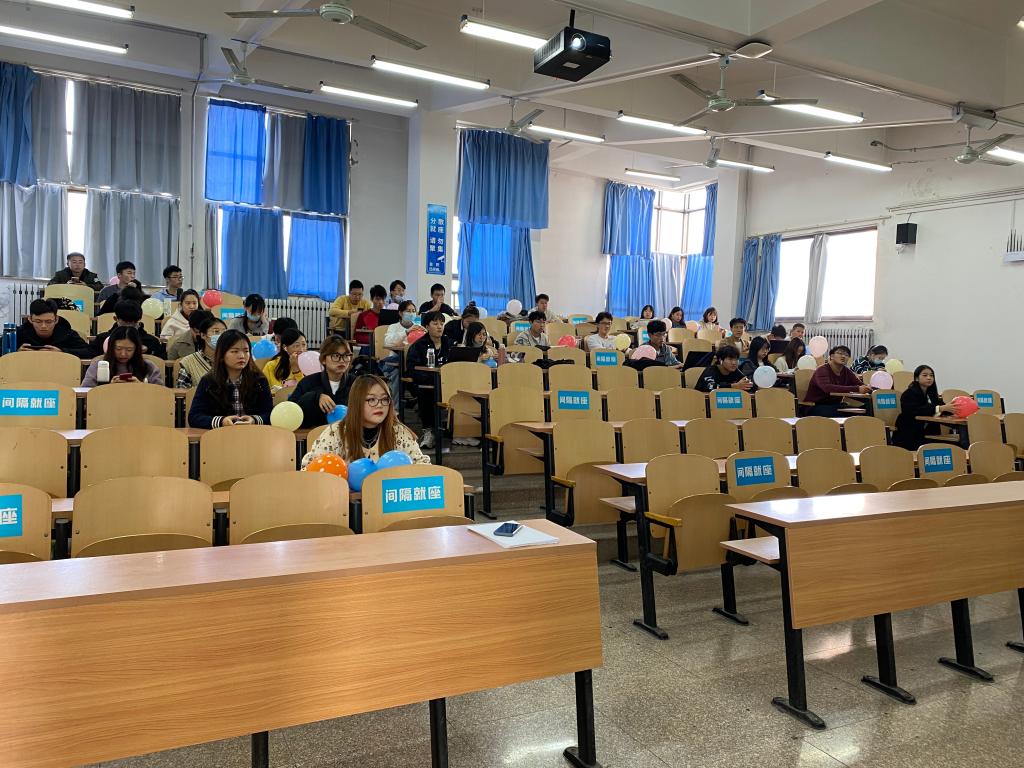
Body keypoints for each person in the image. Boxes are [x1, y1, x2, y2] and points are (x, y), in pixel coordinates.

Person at [300, 374, 429, 468]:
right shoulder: (335, 433)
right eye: (371, 400)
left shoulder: (398, 432)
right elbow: (310, 469)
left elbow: (423, 466)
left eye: (385, 399)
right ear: (357, 403)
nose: (380, 405)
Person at [188, 330, 273, 428]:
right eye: (235, 351)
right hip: (220, 435)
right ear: (222, 355)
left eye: (246, 351)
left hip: (252, 433)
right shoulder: (208, 381)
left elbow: (269, 414)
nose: (242, 356)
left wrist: (254, 420)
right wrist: (222, 421)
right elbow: (194, 417)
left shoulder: (259, 381)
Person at [406, 311, 456, 449]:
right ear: (427, 326)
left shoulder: (449, 343)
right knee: (428, 391)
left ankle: (460, 431)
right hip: (426, 382)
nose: (439, 327)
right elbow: (412, 369)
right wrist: (432, 377)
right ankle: (428, 431)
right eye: (435, 323)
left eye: (442, 323)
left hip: (448, 382)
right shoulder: (419, 345)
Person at [289, 336, 357, 429]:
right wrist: (315, 397)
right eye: (336, 356)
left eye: (346, 356)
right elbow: (292, 409)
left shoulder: (356, 384)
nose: (342, 360)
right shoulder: (308, 383)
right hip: (313, 435)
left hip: (348, 434)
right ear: (323, 360)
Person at [892, 365, 958, 450]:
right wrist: (940, 408)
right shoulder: (909, 393)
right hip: (910, 435)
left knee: (957, 443)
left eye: (931, 375)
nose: (929, 378)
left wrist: (952, 408)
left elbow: (941, 407)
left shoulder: (932, 394)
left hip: (928, 433)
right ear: (916, 378)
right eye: (925, 375)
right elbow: (915, 410)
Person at [81, 326, 163, 387]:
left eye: (129, 350)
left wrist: (141, 386)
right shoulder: (99, 365)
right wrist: (108, 388)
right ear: (111, 347)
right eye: (118, 349)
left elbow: (161, 394)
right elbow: (86, 391)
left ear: (136, 349)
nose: (123, 354)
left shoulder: (148, 366)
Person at [804, 345, 871, 416]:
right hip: (815, 406)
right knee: (849, 415)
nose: (843, 356)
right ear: (832, 356)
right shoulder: (822, 370)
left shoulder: (846, 371)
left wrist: (868, 388)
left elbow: (859, 384)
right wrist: (857, 389)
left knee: (867, 409)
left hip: (835, 405)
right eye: (840, 353)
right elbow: (827, 388)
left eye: (846, 355)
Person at [15, 298, 92, 357]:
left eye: (48, 321)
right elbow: (6, 350)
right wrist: (15, 352)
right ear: (30, 319)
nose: (43, 326)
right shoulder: (19, 333)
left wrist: (62, 351)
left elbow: (89, 351)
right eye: (38, 321)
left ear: (56, 319)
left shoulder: (67, 333)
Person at [92, 298, 166, 359]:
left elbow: (162, 361)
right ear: (115, 319)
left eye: (133, 323)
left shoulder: (151, 341)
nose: (129, 326)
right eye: (125, 322)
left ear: (139, 320)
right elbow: (92, 358)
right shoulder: (102, 339)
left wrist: (148, 351)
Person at [381, 300, 424, 399]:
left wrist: (426, 335)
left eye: (413, 311)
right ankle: (396, 406)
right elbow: (388, 342)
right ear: (400, 313)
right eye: (408, 311)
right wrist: (406, 332)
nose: (411, 314)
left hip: (413, 362)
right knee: (396, 374)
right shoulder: (393, 327)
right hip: (396, 362)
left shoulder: (419, 327)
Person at [176, 315, 226, 389]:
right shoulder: (189, 362)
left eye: (224, 332)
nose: (221, 336)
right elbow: (182, 391)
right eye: (216, 331)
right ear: (203, 335)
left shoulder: (231, 358)